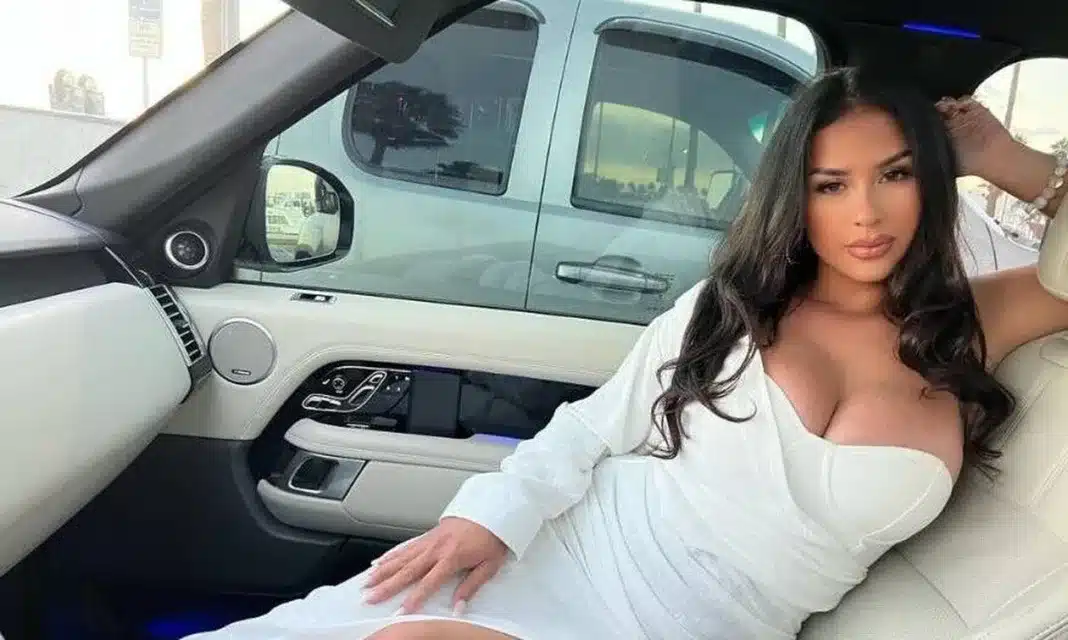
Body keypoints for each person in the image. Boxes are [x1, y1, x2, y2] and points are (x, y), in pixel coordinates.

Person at [186, 67, 1068, 639]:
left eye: (896, 174)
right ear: (794, 200)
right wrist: (492, 515)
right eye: (830, 185)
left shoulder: (972, 322)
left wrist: (1007, 158)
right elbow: (592, 427)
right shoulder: (735, 306)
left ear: (932, 181)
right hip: (580, 554)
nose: (867, 214)